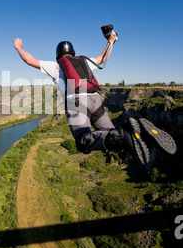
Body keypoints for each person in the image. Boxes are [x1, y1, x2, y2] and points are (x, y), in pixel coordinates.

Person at [13, 31, 176, 166]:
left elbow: (29, 60)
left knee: (83, 141)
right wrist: (110, 41)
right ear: (73, 53)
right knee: (110, 135)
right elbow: (103, 58)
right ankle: (140, 133)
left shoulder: (57, 66)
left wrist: (19, 47)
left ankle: (125, 135)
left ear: (59, 55)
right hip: (96, 100)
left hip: (77, 102)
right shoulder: (84, 62)